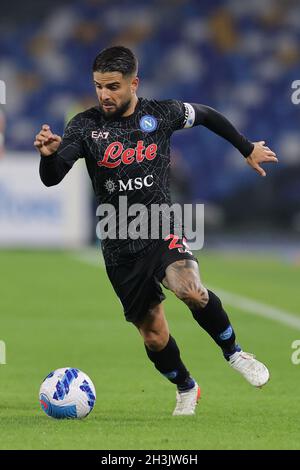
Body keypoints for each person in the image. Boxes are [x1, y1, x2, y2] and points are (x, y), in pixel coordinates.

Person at [34, 46, 277, 416]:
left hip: (159, 227)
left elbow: (208, 115)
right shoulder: (84, 125)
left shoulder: (161, 114)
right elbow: (52, 179)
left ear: (134, 83)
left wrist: (246, 148)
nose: (104, 94)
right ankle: (186, 387)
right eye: (98, 86)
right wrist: (49, 156)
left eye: (113, 86)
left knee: (191, 291)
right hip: (117, 243)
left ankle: (235, 353)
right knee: (154, 334)